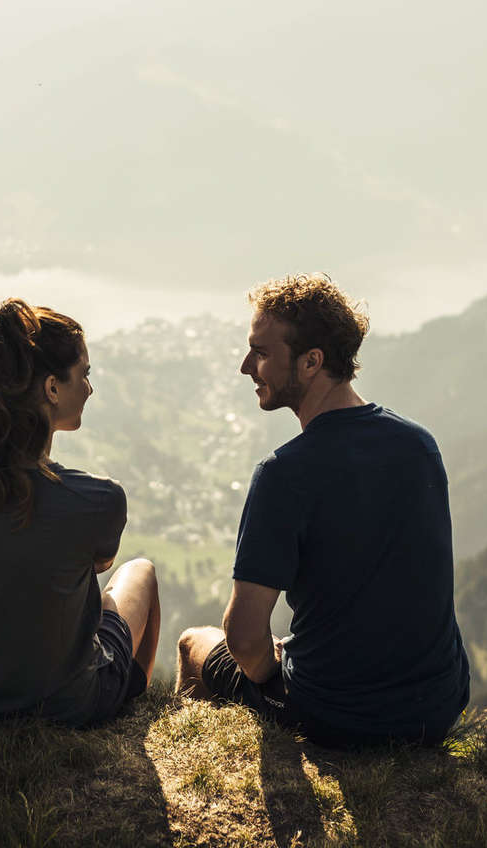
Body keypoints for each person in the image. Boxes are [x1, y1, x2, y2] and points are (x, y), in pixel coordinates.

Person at [175, 274, 470, 747]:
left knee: (194, 643)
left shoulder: (284, 474)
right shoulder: (420, 446)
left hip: (336, 715)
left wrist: (274, 667)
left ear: (312, 361)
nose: (246, 366)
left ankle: (197, 763)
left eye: (262, 353)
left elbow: (246, 639)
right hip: (436, 708)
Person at [0, 299, 159, 726]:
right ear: (51, 388)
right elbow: (99, 565)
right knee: (141, 571)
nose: (90, 389)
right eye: (85, 374)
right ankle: (131, 705)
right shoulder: (97, 499)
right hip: (62, 705)